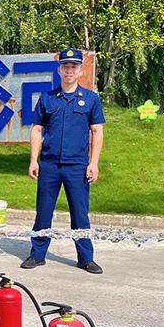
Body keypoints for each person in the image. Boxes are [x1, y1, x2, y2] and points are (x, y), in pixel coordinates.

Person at [20, 48, 105, 274]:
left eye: (73, 67)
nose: (69, 70)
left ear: (80, 70)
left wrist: (94, 162)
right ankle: (37, 254)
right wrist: (33, 160)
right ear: (58, 70)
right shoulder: (47, 98)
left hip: (77, 165)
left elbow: (97, 131)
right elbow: (37, 129)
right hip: (49, 164)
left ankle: (85, 258)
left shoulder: (90, 99)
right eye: (65, 66)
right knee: (43, 211)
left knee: (80, 213)